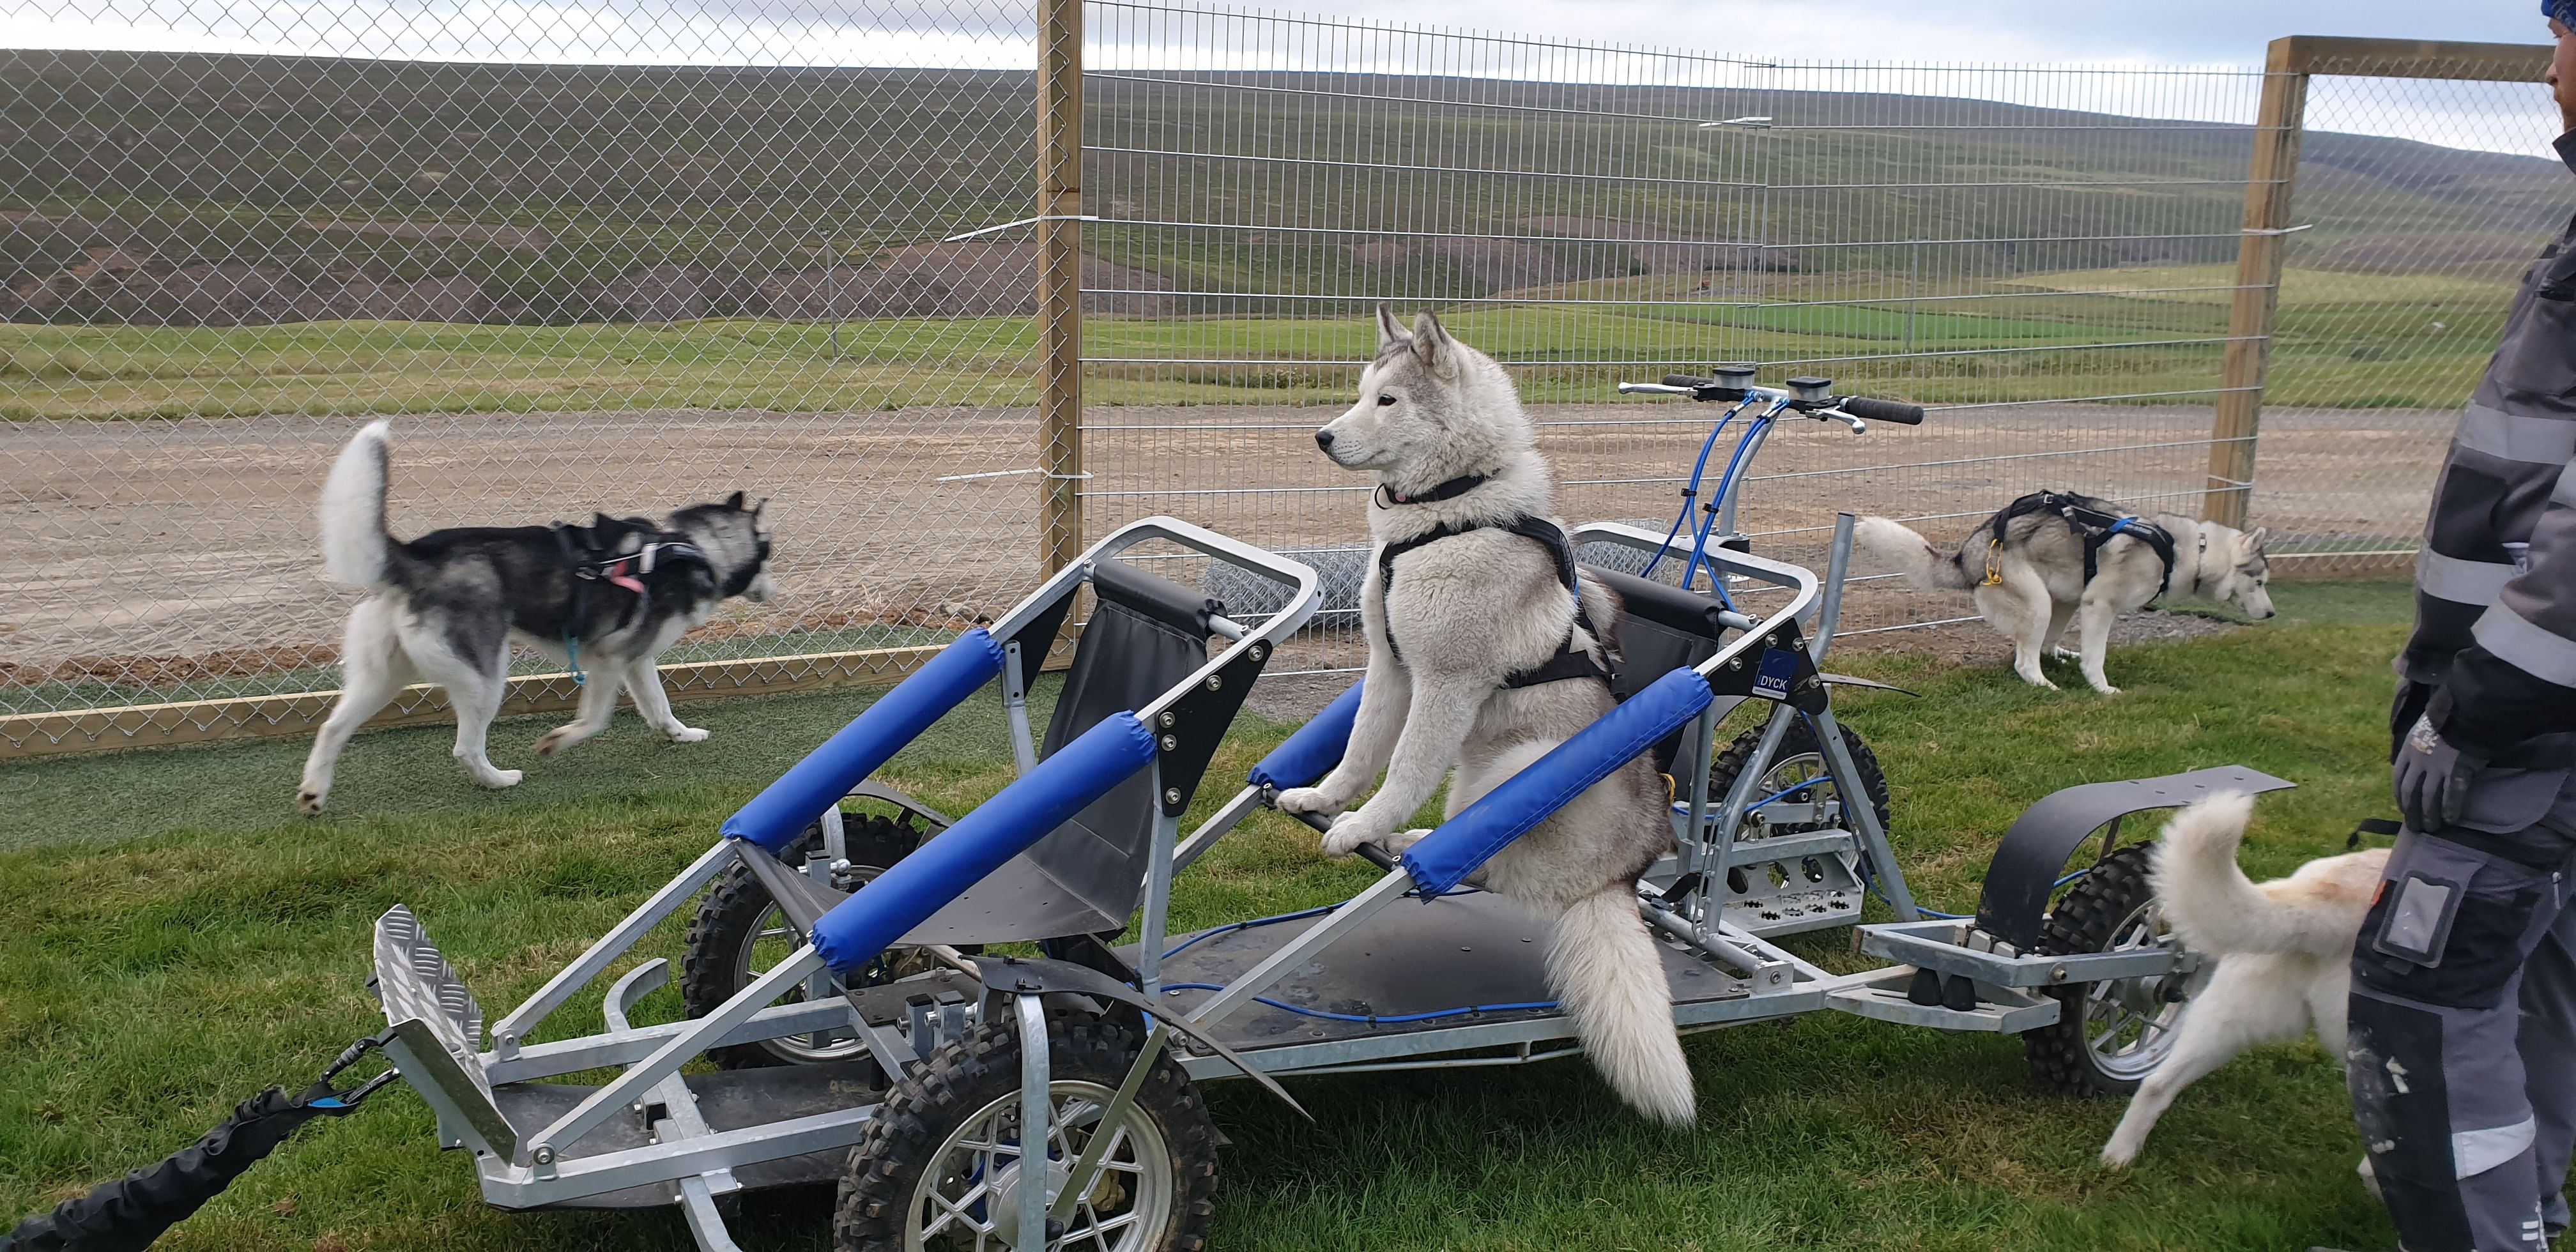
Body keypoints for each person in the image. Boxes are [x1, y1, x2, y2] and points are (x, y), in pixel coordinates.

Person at [2355, 5, 2576, 1247]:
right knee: (2538, 960)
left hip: (2533, 708)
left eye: (2563, 30)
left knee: (2424, 991)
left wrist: (2485, 695)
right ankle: (2525, 1215)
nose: (2550, 68)